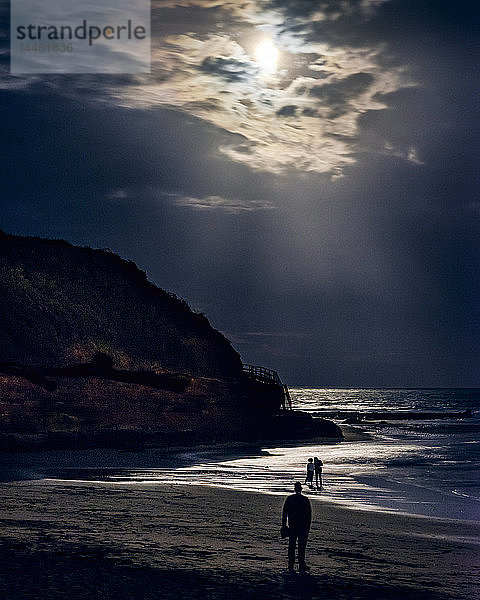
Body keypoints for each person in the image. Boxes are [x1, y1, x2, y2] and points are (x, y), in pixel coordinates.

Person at [281, 482, 312, 572]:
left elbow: (284, 513)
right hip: (302, 527)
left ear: (294, 489)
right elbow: (308, 515)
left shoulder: (289, 499)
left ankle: (291, 564)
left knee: (292, 545)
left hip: (293, 526)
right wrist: (308, 527)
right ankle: (301, 564)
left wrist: (284, 525)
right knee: (301, 546)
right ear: (301, 489)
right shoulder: (305, 499)